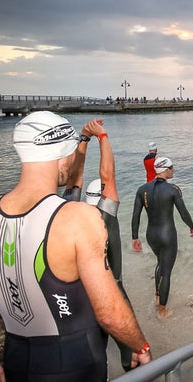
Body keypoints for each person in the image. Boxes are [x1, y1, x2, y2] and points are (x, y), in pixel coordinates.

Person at [0, 111, 151, 382]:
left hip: (16, 361)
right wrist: (140, 346)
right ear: (63, 154)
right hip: (77, 363)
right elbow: (109, 313)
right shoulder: (78, 218)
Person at [63, 118, 135, 371]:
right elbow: (108, 176)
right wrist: (102, 136)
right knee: (132, 356)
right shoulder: (106, 217)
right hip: (113, 294)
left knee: (94, 354)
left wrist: (83, 138)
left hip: (82, 297)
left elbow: (74, 178)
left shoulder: (70, 212)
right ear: (103, 196)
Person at [131, 157, 193, 318]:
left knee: (160, 263)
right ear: (165, 169)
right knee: (166, 272)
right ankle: (162, 311)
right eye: (171, 167)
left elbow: (135, 216)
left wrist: (135, 237)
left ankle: (157, 295)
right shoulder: (173, 189)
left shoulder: (142, 189)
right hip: (167, 236)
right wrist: (192, 225)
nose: (173, 170)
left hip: (151, 235)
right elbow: (183, 213)